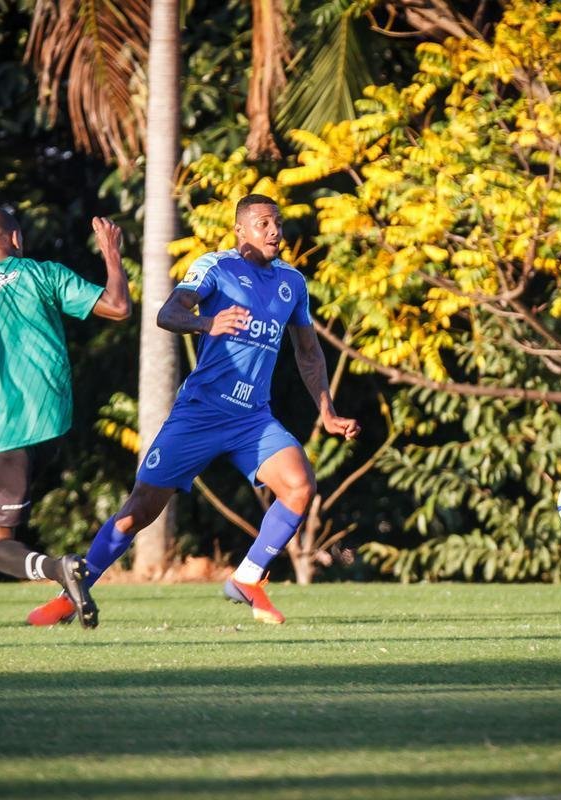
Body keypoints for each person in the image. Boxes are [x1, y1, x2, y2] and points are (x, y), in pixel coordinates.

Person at [28, 193, 359, 626]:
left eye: (277, 222)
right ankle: (72, 594)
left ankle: (247, 577)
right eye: (263, 223)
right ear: (240, 230)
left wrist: (328, 412)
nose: (275, 231)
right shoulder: (214, 267)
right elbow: (169, 312)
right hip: (200, 412)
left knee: (299, 485)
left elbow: (309, 353)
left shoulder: (292, 283)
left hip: (251, 419)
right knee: (138, 513)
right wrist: (208, 322)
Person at [0, 207, 131, 629]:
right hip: (52, 423)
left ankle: (58, 569)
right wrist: (111, 254)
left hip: (1, 428)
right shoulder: (44, 274)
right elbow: (117, 307)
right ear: (17, 239)